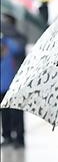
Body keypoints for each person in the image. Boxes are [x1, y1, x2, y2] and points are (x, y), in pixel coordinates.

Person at [0, 13, 26, 148]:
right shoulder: (2, 40)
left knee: (16, 113)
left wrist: (8, 39)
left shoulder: (18, 39)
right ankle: (7, 136)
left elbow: (18, 50)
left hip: (15, 84)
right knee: (4, 113)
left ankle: (19, 138)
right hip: (2, 84)